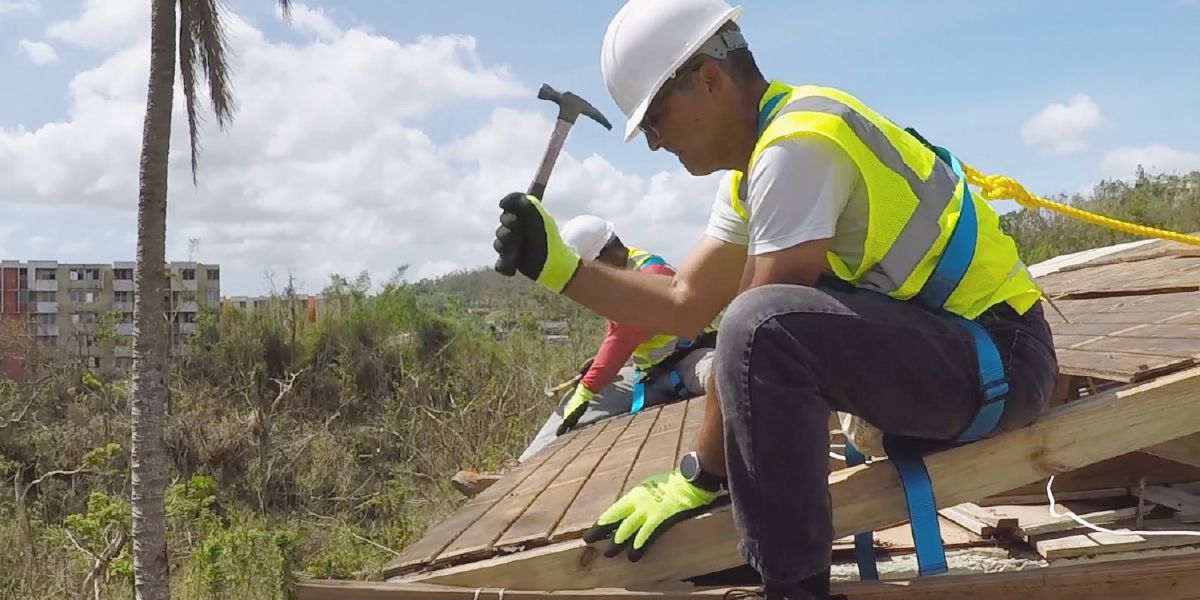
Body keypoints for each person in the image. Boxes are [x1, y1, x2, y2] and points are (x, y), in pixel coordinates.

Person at [489, 0, 1058, 598]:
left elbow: (757, 326)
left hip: (1003, 362)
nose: (654, 143)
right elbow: (684, 304)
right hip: (958, 358)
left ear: (709, 80)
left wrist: (700, 475)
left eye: (655, 119)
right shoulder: (753, 167)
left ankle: (793, 588)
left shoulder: (798, 146)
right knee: (756, 324)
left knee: (761, 325)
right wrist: (558, 267)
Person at [452, 215, 716, 498]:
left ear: (611, 252)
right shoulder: (617, 277)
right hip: (649, 374)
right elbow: (620, 334)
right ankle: (515, 474)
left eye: (593, 266)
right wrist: (592, 374)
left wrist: (590, 386)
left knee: (721, 371)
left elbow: (626, 333)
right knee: (572, 405)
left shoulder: (651, 273)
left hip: (690, 358)